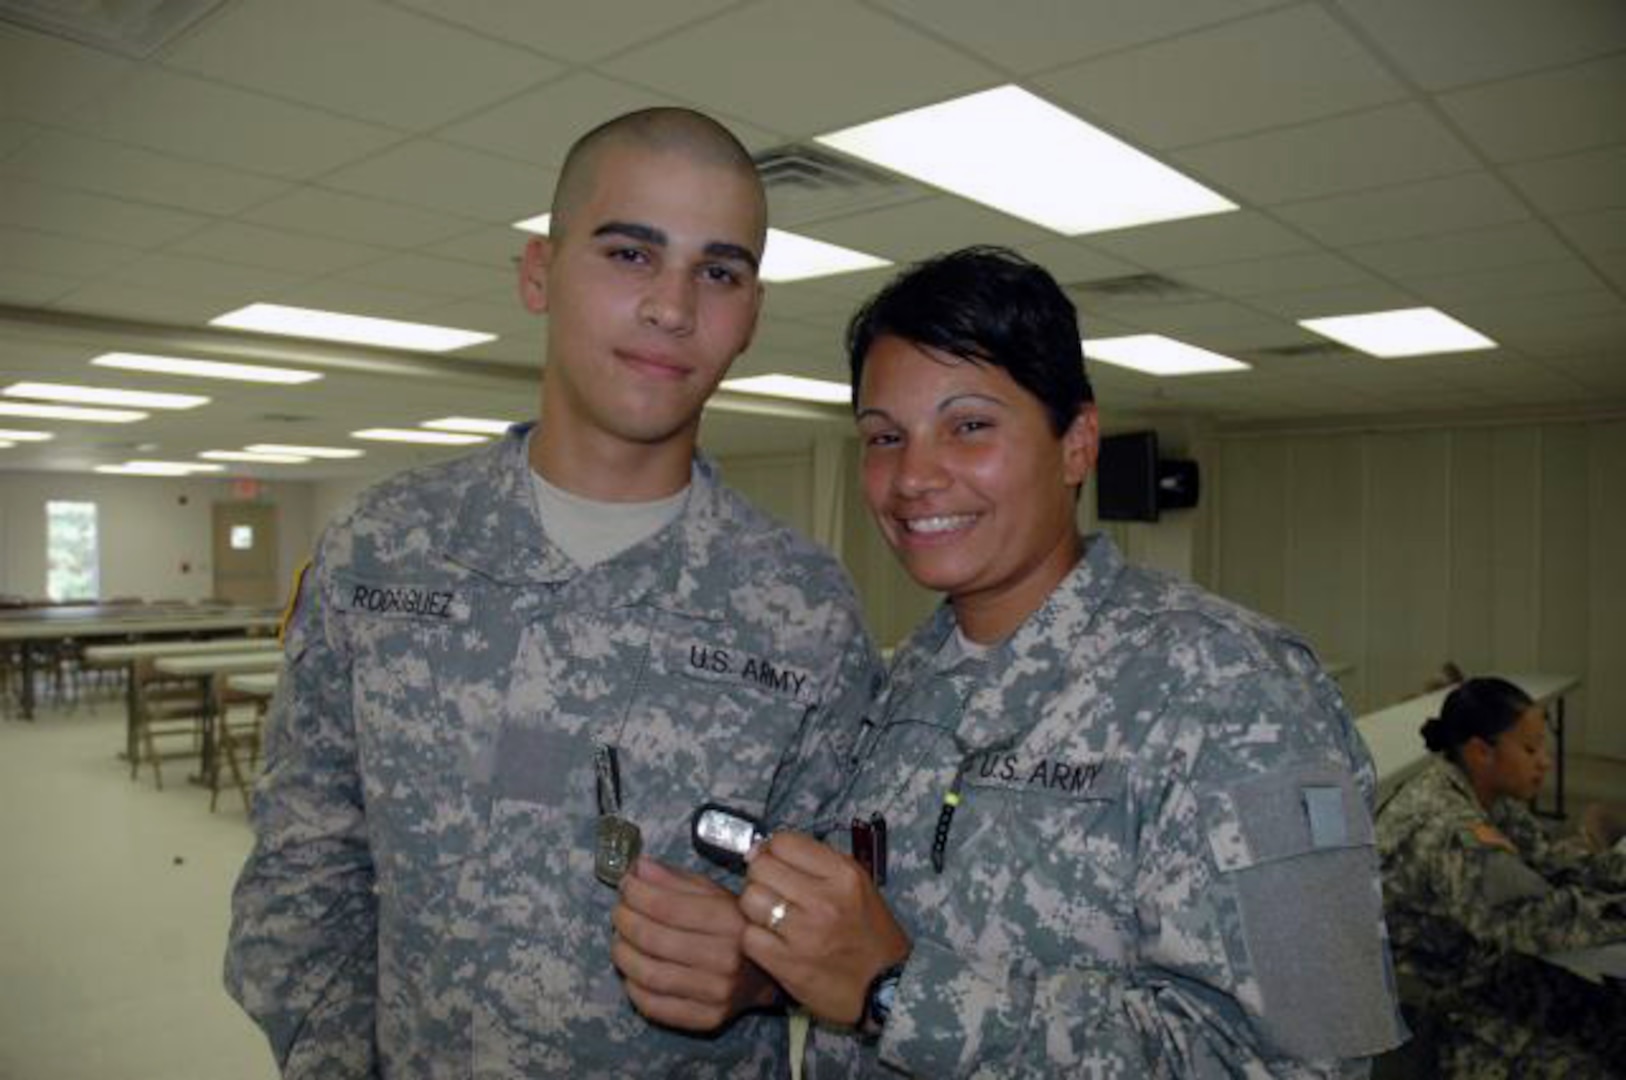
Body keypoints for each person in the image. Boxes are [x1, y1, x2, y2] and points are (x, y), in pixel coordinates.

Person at [617, 247, 1406, 1076]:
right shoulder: (908, 680)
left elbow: (1301, 1062)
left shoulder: (1234, 686)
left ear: (1077, 444)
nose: (914, 476)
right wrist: (769, 967)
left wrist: (899, 993)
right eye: (885, 437)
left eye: (969, 426)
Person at [224, 107, 880, 1079]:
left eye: (719, 271)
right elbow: (303, 868)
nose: (672, 306)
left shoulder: (805, 612)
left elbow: (848, 929)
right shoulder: (388, 552)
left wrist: (759, 975)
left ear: (752, 313)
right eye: (629, 253)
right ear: (539, 272)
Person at [1377, 676, 1626, 1078]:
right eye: (1530, 749)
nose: (1545, 761)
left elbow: (1553, 862)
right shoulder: (1449, 829)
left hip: (1482, 971)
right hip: (1434, 1012)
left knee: (1616, 1018)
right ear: (1481, 751)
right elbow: (1535, 920)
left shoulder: (1480, 791)